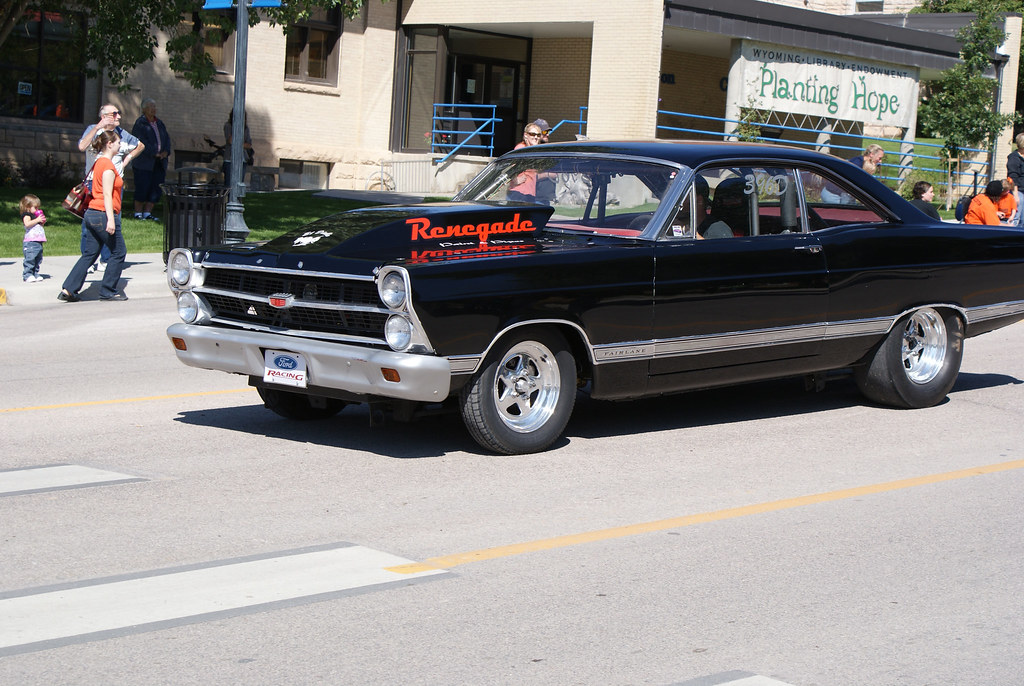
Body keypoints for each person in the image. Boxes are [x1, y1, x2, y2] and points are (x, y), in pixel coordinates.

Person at [59, 130, 129, 302]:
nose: (120, 145)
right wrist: (111, 220)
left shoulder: (98, 162)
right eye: (118, 142)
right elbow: (106, 194)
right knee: (119, 251)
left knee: (90, 253)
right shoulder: (107, 166)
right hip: (102, 214)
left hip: (92, 214)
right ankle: (107, 291)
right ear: (110, 144)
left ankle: (69, 289)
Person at [78, 104, 143, 271]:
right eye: (115, 114)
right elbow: (81, 146)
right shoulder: (93, 129)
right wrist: (98, 127)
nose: (119, 117)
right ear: (104, 116)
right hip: (93, 182)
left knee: (113, 220)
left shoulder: (122, 134)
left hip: (115, 184)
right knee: (89, 222)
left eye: (119, 114)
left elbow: (140, 145)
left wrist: (126, 160)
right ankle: (88, 260)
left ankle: (106, 259)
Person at [131, 97, 171, 221]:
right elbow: (140, 141)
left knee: (155, 188)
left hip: (159, 162)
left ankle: (147, 213)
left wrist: (166, 151)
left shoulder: (159, 123)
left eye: (154, 106)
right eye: (151, 107)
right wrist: (154, 152)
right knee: (143, 186)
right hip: (145, 162)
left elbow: (166, 139)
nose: (154, 109)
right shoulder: (140, 124)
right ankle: (138, 213)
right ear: (144, 109)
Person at [20, 194, 47, 283]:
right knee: (30, 259)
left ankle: (35, 273)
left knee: (38, 259)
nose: (37, 209)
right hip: (30, 242)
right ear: (27, 207)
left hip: (38, 241)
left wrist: (42, 222)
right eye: (35, 207)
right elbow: (27, 224)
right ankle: (27, 275)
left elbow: (38, 226)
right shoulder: (27, 215)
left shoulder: (35, 217)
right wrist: (37, 220)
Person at [223, 109, 253, 186]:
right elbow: (230, 141)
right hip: (230, 159)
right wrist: (236, 126)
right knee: (229, 184)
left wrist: (238, 144)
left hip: (242, 160)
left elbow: (249, 144)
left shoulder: (246, 128)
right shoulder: (228, 125)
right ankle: (229, 198)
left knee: (239, 184)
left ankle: (238, 198)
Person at [1005, 132, 1024, 227]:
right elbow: (1013, 177)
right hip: (1018, 190)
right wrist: (1015, 194)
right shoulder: (1014, 158)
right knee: (1017, 216)